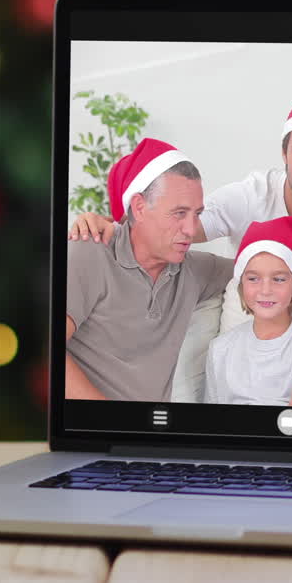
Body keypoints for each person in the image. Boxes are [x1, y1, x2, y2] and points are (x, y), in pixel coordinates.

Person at [70, 85, 292, 302]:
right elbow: (181, 227)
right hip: (250, 305)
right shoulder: (250, 195)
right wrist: (113, 224)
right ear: (283, 154)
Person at [66, 138, 234, 401]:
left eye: (197, 214)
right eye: (179, 213)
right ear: (139, 207)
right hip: (85, 432)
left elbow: (265, 264)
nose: (191, 230)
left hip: (150, 437)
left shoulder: (193, 270)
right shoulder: (90, 252)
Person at [204, 216, 292, 407]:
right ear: (241, 284)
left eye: (278, 279)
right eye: (253, 279)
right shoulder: (220, 348)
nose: (265, 290)